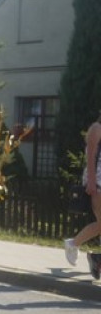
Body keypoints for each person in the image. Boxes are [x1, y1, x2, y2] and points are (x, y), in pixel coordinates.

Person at [63, 114, 101, 278]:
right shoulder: (97, 128)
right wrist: (92, 181)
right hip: (98, 181)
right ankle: (75, 244)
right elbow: (91, 155)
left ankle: (76, 245)